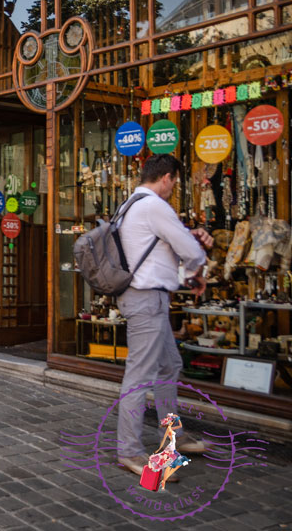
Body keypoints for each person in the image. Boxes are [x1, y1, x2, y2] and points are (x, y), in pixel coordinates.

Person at [115, 154, 211, 476]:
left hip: (141, 298)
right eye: (175, 183)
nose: (173, 189)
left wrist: (185, 272)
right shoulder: (154, 205)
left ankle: (173, 437)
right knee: (139, 376)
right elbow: (190, 249)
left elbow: (159, 255)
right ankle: (129, 451)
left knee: (169, 365)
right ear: (167, 177)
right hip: (147, 301)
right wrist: (198, 270)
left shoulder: (130, 204)